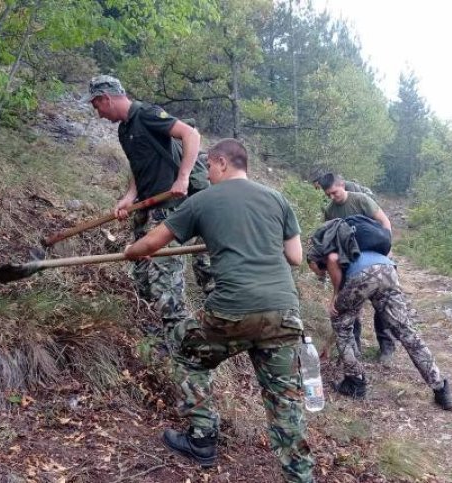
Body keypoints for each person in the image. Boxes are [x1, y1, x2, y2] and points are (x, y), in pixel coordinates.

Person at [125, 139, 315, 482]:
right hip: (284, 313)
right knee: (286, 403)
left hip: (232, 312)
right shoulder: (278, 199)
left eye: (210, 167)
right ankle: (300, 477)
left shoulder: (203, 201)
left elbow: (151, 243)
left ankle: (202, 439)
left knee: (188, 353)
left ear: (222, 163)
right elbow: (296, 257)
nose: (207, 175)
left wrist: (130, 251)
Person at [86, 75, 212, 332]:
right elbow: (137, 164)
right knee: (144, 280)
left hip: (168, 211)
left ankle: (181, 346)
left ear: (106, 98)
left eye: (97, 106)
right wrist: (129, 196)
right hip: (145, 209)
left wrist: (183, 177)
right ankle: (153, 341)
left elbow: (191, 134)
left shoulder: (147, 114)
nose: (98, 114)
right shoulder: (124, 129)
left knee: (165, 285)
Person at [308, 242, 452, 410]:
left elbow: (344, 313)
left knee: (341, 323)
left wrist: (335, 294)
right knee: (406, 331)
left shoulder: (330, 255)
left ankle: (355, 382)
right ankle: (440, 387)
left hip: (363, 275)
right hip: (387, 269)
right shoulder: (355, 245)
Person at [318, 173, 396, 363]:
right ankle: (355, 347)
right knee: (351, 304)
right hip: (350, 260)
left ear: (342, 185)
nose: (332, 197)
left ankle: (386, 347)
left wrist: (387, 249)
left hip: (376, 253)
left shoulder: (361, 200)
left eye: (334, 192)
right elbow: (331, 238)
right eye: (328, 195)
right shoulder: (330, 211)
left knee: (382, 303)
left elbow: (384, 222)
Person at [311, 171, 376, 199]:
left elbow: (355, 198)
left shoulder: (347, 185)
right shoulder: (327, 189)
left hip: (367, 194)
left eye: (317, 186)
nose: (317, 188)